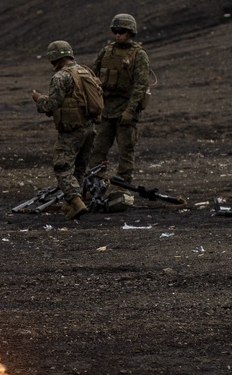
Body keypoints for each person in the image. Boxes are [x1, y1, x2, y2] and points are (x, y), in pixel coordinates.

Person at [31, 40, 98, 220]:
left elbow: (52, 104)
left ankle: (76, 201)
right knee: (80, 168)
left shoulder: (61, 77)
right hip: (90, 128)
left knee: (62, 167)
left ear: (55, 58)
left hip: (71, 130)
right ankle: (73, 203)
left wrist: (38, 99)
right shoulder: (86, 71)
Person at [87, 13, 150, 183]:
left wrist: (130, 110)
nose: (117, 34)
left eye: (121, 31)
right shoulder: (107, 51)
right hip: (106, 109)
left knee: (126, 148)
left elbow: (141, 84)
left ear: (130, 32)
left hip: (125, 109)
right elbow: (93, 76)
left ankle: (123, 182)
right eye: (115, 31)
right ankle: (94, 179)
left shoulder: (139, 55)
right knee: (97, 148)